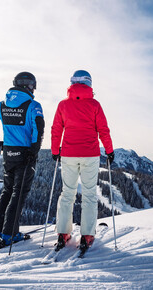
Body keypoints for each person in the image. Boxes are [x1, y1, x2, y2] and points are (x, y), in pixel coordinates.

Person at [51, 69, 114, 251]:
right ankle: (87, 234)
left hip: (69, 154)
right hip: (90, 154)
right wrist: (109, 151)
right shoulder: (94, 105)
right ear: (89, 84)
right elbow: (103, 129)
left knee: (67, 193)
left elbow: (56, 129)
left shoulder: (63, 105)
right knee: (88, 195)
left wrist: (56, 150)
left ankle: (63, 233)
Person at [0, 72, 45, 249]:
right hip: (25, 154)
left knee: (7, 192)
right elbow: (39, 127)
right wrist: (34, 150)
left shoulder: (3, 104)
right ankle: (9, 235)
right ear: (30, 86)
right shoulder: (33, 105)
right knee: (18, 194)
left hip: (8, 154)